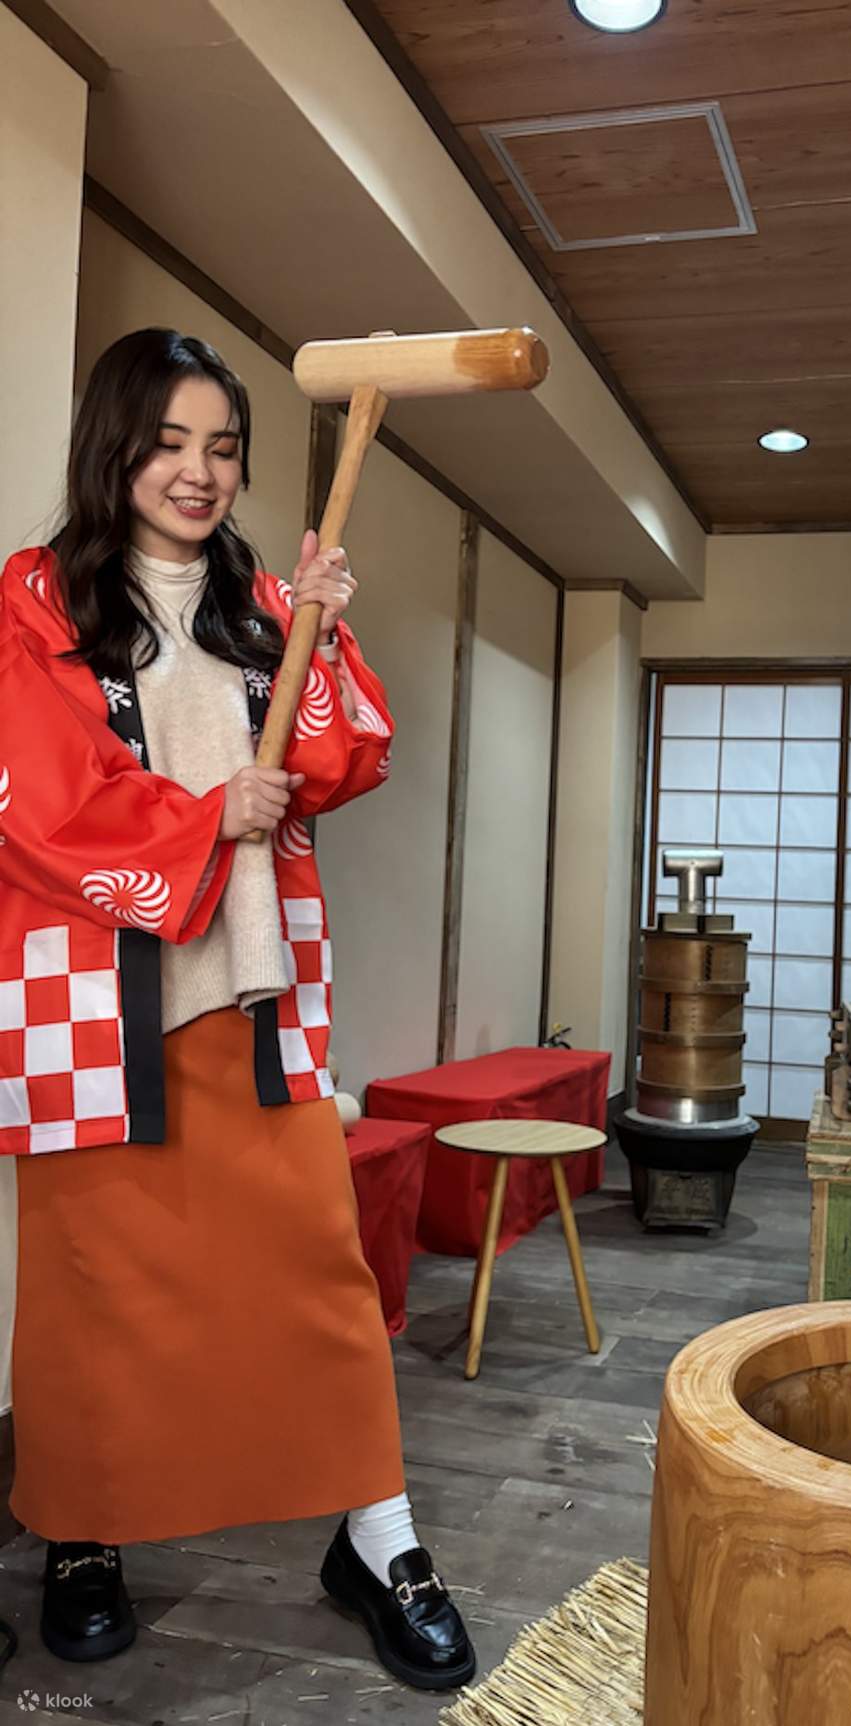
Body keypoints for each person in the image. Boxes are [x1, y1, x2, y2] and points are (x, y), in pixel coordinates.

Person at [0, 327, 475, 1690]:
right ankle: (82, 1534)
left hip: (251, 997)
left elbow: (339, 758)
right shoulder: (35, 598)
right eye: (167, 442)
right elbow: (34, 795)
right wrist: (211, 814)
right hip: (93, 1013)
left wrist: (318, 623)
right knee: (97, 1297)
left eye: (221, 448)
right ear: (114, 448)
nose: (197, 472)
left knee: (320, 1281)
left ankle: (376, 1539)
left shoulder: (258, 596)